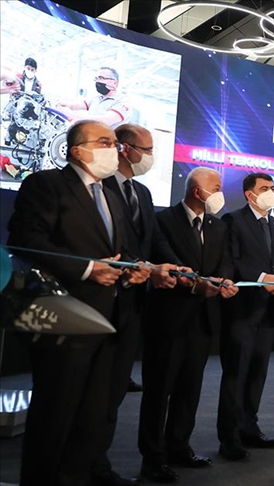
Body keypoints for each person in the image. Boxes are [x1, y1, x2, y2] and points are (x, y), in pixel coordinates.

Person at [8, 120, 151, 486]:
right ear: (76, 150)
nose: (115, 149)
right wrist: (87, 269)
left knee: (92, 414)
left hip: (109, 320)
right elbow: (26, 240)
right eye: (105, 141)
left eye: (115, 142)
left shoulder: (111, 195)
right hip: (65, 318)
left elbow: (120, 251)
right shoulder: (46, 185)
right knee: (55, 414)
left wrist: (133, 270)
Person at [138, 167, 238, 484]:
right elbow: (166, 258)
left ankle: (179, 446)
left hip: (203, 319)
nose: (220, 193)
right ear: (197, 191)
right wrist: (196, 285)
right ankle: (153, 458)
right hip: (169, 318)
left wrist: (223, 281)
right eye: (216, 187)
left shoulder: (218, 225)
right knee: (159, 392)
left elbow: (225, 261)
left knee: (189, 389)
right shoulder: (163, 220)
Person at [94, 123, 180, 486]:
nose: (150, 157)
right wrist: (141, 266)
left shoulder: (142, 192)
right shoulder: (99, 187)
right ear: (125, 149)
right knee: (92, 392)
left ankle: (98, 466)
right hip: (99, 301)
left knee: (114, 391)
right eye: (146, 150)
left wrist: (175, 267)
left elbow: (154, 240)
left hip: (134, 305)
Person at [217, 173, 274, 461]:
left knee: (257, 374)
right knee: (236, 374)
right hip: (242, 310)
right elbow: (232, 260)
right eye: (264, 188)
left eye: (272, 188)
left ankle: (249, 428)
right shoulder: (233, 220)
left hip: (270, 310)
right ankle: (229, 437)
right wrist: (263, 278)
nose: (270, 193)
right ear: (249, 194)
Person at [57, 67, 138, 128]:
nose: (98, 81)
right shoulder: (96, 98)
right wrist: (65, 105)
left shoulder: (122, 103)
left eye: (101, 78)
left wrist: (74, 116)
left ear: (115, 83)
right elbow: (77, 105)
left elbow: (105, 121)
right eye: (97, 78)